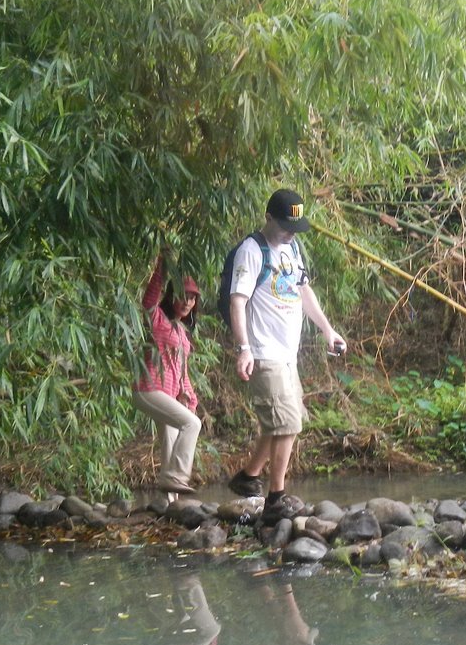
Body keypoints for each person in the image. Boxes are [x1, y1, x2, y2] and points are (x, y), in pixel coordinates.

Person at [223, 190, 345, 526]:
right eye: (286, 226)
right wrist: (244, 349)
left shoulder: (291, 248)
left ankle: (248, 477)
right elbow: (237, 301)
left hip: (287, 354)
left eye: (295, 226)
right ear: (269, 218)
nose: (291, 232)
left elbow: (303, 290)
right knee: (287, 423)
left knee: (280, 421)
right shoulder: (251, 251)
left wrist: (328, 330)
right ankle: (275, 499)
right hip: (264, 352)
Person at [133, 245, 202, 495]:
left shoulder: (183, 333)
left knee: (171, 445)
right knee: (192, 425)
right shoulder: (158, 319)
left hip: (169, 396)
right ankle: (177, 476)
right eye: (183, 295)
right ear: (172, 296)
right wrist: (163, 264)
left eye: (192, 298)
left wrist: (191, 399)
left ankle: (169, 503)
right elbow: (150, 298)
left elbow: (183, 373)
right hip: (149, 388)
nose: (188, 302)